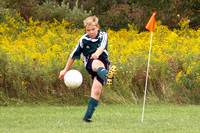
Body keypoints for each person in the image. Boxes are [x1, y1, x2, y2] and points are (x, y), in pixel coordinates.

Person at [59, 16, 116, 123]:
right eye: (88, 30)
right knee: (96, 63)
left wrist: (97, 53)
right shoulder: (83, 39)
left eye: (93, 29)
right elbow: (73, 55)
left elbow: (101, 47)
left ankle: (86, 119)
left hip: (103, 62)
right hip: (90, 62)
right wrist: (65, 70)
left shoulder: (103, 35)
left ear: (97, 27)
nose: (91, 32)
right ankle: (107, 75)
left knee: (96, 91)